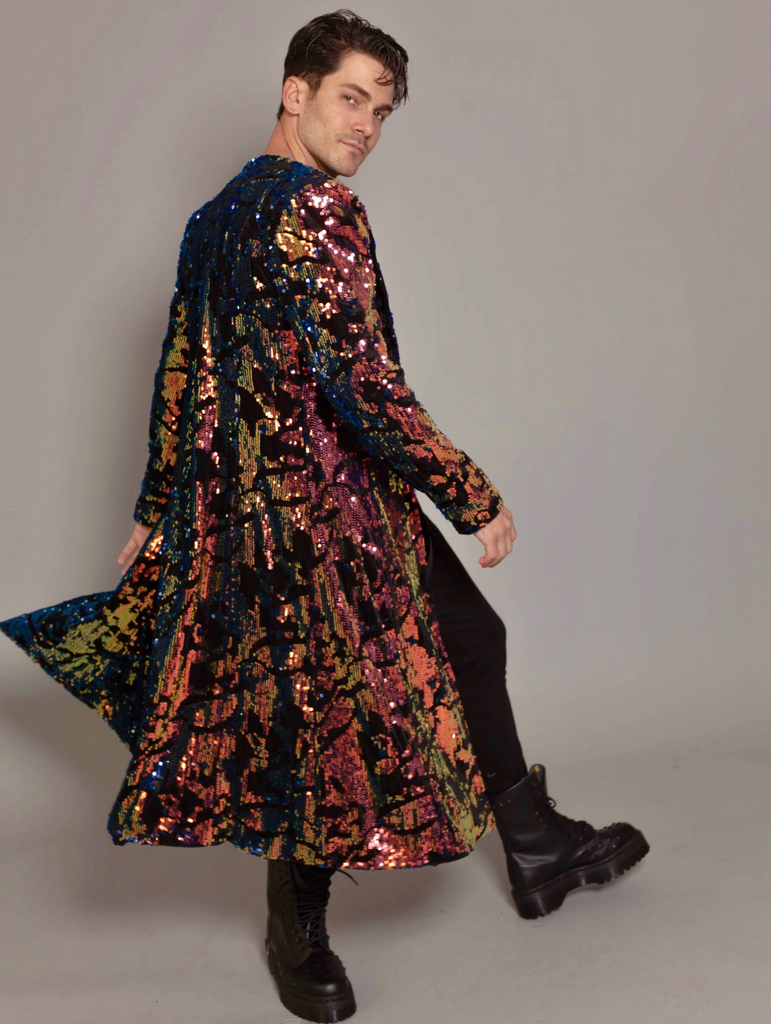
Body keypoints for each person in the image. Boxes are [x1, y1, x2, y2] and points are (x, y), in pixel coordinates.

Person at [0, 10, 649, 1023]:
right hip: (334, 519)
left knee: (456, 645)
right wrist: (468, 489)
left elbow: (180, 372)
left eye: (381, 113)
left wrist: (161, 501)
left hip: (258, 518)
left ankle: (533, 846)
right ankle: (296, 926)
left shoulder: (210, 218)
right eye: (352, 99)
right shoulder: (319, 208)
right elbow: (361, 386)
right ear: (294, 91)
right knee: (314, 717)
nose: (366, 128)